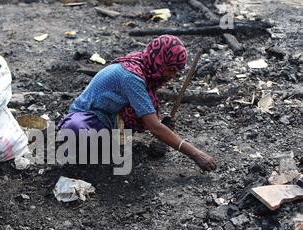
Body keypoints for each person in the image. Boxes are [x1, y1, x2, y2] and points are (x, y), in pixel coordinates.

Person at [57, 35, 216, 172]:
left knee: (116, 137)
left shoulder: (144, 63)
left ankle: (103, 144)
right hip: (87, 117)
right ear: (159, 61)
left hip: (109, 116)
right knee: (77, 131)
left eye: (176, 71)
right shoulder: (131, 76)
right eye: (171, 69)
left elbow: (149, 115)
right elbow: (153, 126)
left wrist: (161, 126)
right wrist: (195, 154)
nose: (172, 75)